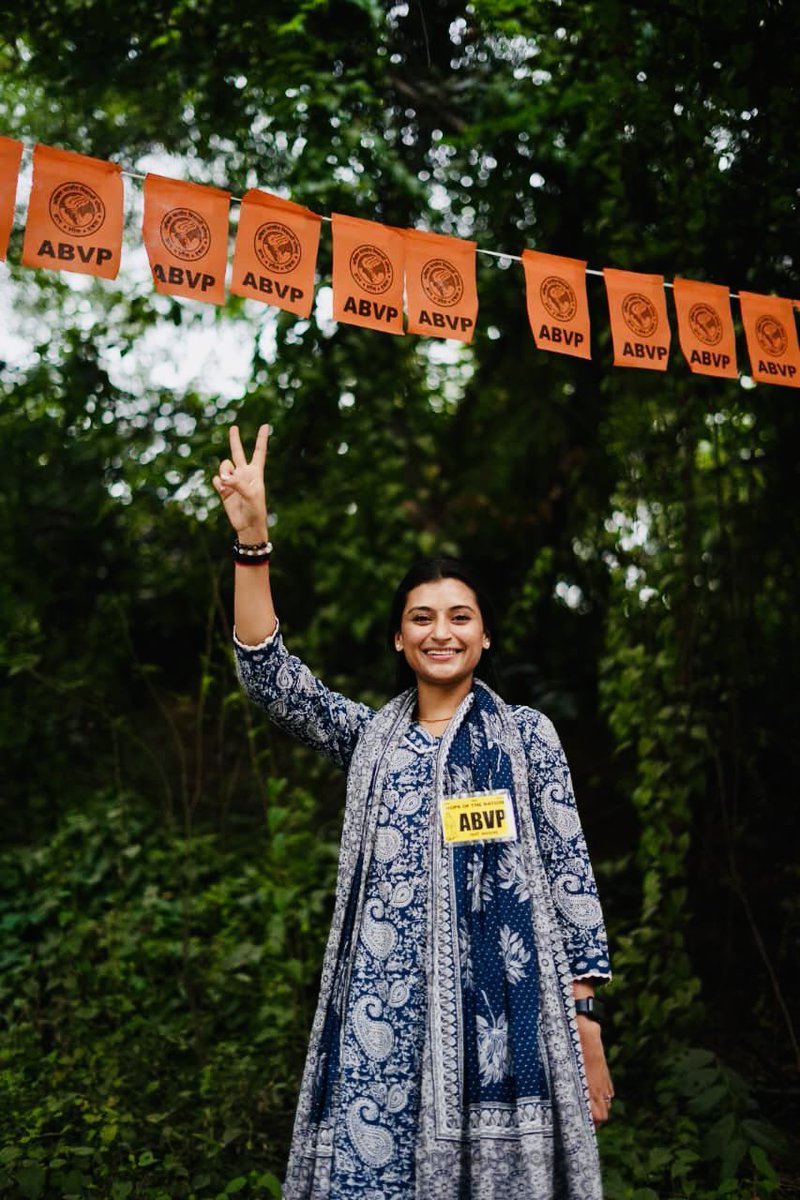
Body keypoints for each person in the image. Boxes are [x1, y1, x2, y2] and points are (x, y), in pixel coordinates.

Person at [213, 424, 614, 1200]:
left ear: (485, 635)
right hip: (382, 1019)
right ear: (400, 639)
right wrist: (254, 541)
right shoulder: (371, 738)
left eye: (460, 616)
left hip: (504, 1017)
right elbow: (271, 679)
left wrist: (588, 1019)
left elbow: (569, 870)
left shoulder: (527, 735)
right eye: (422, 617)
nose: (442, 631)